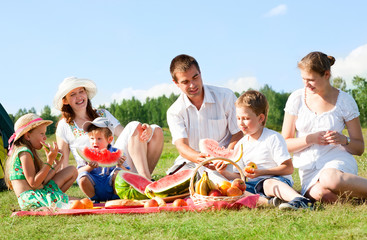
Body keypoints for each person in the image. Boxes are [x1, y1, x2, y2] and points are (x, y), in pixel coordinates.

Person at [282, 51, 366, 203]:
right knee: (322, 194)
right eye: (303, 79)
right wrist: (311, 139)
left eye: (311, 80)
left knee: (329, 178)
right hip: (308, 169)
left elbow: (359, 148)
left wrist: (343, 140)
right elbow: (285, 143)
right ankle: (359, 199)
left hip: (338, 162)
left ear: (326, 75)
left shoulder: (345, 101)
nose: (306, 84)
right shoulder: (297, 98)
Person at [214, 90, 313, 210]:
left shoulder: (273, 138)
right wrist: (223, 172)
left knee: (267, 183)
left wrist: (261, 172)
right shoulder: (240, 144)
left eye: (245, 118)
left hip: (275, 180)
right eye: (238, 118)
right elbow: (239, 176)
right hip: (252, 185)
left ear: (260, 118)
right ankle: (270, 202)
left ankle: (301, 200)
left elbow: (288, 168)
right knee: (235, 192)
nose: (241, 123)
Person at [54, 77, 164, 181]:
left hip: (118, 165)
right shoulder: (64, 125)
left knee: (156, 130)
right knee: (134, 125)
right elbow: (64, 166)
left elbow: (128, 133)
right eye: (73, 94)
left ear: (86, 93)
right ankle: (146, 181)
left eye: (81, 91)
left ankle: (143, 179)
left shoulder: (103, 114)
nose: (79, 97)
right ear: (65, 101)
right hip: (93, 175)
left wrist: (145, 128)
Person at [166, 54, 243, 183]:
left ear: (200, 73)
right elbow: (181, 145)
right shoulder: (174, 111)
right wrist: (199, 158)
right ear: (176, 83)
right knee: (174, 184)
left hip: (227, 161)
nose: (192, 85)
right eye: (185, 82)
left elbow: (238, 133)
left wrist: (225, 156)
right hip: (192, 162)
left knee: (227, 184)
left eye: (195, 77)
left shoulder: (226, 96)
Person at [5, 113, 77, 210]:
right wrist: (49, 161)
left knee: (72, 170)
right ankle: (55, 201)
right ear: (28, 136)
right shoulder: (24, 153)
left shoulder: (28, 151)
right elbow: (34, 184)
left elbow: (42, 182)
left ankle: (57, 198)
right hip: (32, 198)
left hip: (38, 192)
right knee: (79, 202)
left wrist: (57, 164)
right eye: (42, 134)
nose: (45, 138)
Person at [78, 117, 128, 202]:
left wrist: (119, 165)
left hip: (112, 189)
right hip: (94, 187)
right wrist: (89, 167)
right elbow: (78, 171)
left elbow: (127, 173)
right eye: (92, 138)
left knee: (119, 173)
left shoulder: (117, 153)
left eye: (99, 139)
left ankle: (116, 198)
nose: (94, 142)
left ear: (110, 139)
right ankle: (94, 199)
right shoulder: (86, 155)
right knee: (82, 179)